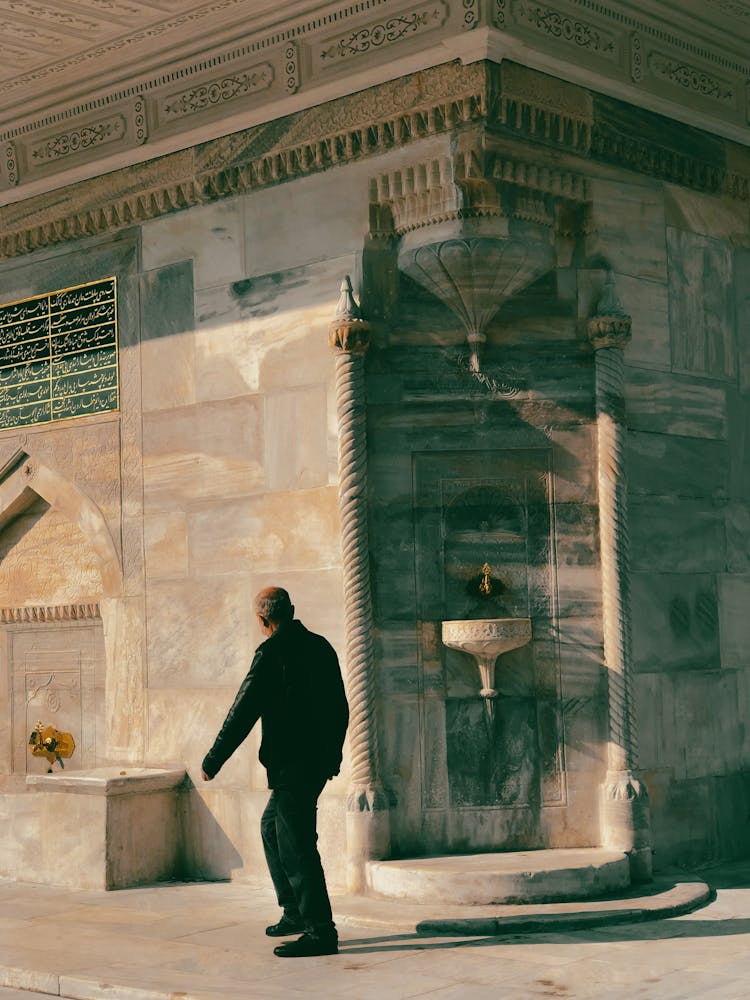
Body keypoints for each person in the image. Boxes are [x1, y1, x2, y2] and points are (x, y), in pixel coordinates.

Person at [201, 586, 349, 958]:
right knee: (272, 829)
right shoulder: (320, 646)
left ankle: (320, 932)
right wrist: (332, 755)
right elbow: (340, 708)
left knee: (298, 846)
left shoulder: (272, 653)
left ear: (262, 620)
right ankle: (295, 912)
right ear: (293, 610)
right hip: (311, 764)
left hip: (293, 767)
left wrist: (212, 761)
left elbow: (243, 709)